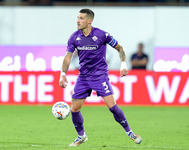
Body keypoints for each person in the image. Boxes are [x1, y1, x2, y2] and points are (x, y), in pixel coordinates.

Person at [59, 8, 142, 147]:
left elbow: (120, 48)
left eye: (81, 18)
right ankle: (81, 136)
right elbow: (67, 58)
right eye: (77, 18)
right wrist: (62, 74)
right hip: (83, 77)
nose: (78, 21)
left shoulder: (102, 35)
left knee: (112, 107)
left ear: (89, 21)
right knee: (74, 109)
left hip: (100, 76)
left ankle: (130, 132)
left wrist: (123, 64)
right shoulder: (74, 37)